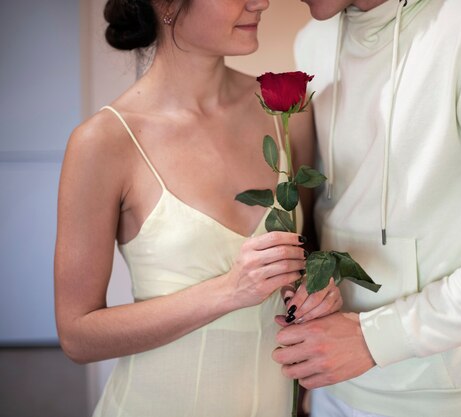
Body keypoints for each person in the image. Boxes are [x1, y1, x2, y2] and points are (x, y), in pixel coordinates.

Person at [272, 0, 461, 416]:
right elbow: (337, 208)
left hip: (447, 400)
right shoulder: (314, 40)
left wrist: (373, 339)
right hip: (335, 381)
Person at [54, 0, 341, 416]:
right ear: (165, 5)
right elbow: (77, 336)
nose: (260, 2)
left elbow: (306, 255)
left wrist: (319, 291)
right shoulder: (103, 142)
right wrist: (228, 291)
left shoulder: (286, 110)